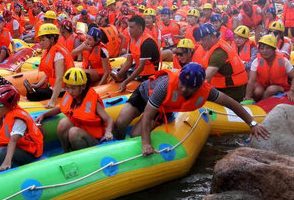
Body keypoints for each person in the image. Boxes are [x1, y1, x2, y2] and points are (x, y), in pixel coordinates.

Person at [112, 63, 269, 153]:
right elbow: (146, 115)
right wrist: (147, 143)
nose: (184, 90)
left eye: (190, 88)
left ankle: (151, 129)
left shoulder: (206, 91)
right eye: (182, 85)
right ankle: (114, 144)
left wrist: (252, 123)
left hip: (163, 109)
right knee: (120, 122)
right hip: (144, 93)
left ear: (199, 87)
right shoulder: (165, 85)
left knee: (134, 135)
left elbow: (231, 103)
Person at [35, 68, 114, 152]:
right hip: (81, 130)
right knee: (63, 123)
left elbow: (109, 119)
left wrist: (108, 132)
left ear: (83, 86)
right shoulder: (73, 96)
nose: (70, 91)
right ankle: (66, 152)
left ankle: (81, 157)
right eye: (67, 88)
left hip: (95, 139)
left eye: (73, 88)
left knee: (73, 132)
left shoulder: (93, 100)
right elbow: (60, 108)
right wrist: (44, 115)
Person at [193, 23, 248, 102]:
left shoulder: (218, 53)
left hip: (232, 91)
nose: (200, 42)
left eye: (203, 39)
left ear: (213, 37)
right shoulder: (217, 44)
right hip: (225, 87)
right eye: (200, 39)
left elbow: (206, 78)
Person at [24, 23, 74, 106]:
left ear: (52, 39)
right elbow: (48, 74)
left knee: (31, 95)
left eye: (43, 40)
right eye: (40, 40)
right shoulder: (50, 50)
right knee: (35, 86)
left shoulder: (58, 54)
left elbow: (59, 79)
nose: (41, 43)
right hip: (52, 85)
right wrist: (38, 85)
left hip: (63, 89)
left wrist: (53, 100)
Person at [243, 34, 294, 102]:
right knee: (257, 91)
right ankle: (257, 102)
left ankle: (261, 103)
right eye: (262, 48)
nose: (264, 51)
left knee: (271, 89)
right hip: (263, 86)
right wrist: (247, 96)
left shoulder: (283, 61)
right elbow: (251, 80)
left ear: (274, 49)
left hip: (278, 87)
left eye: (268, 48)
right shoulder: (256, 61)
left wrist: (292, 91)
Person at [113, 15, 160, 92]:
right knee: (119, 69)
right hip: (139, 68)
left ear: (140, 28)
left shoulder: (147, 43)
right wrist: (118, 74)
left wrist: (125, 82)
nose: (129, 30)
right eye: (129, 27)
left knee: (125, 77)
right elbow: (128, 62)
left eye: (131, 27)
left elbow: (141, 68)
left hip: (149, 73)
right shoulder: (132, 40)